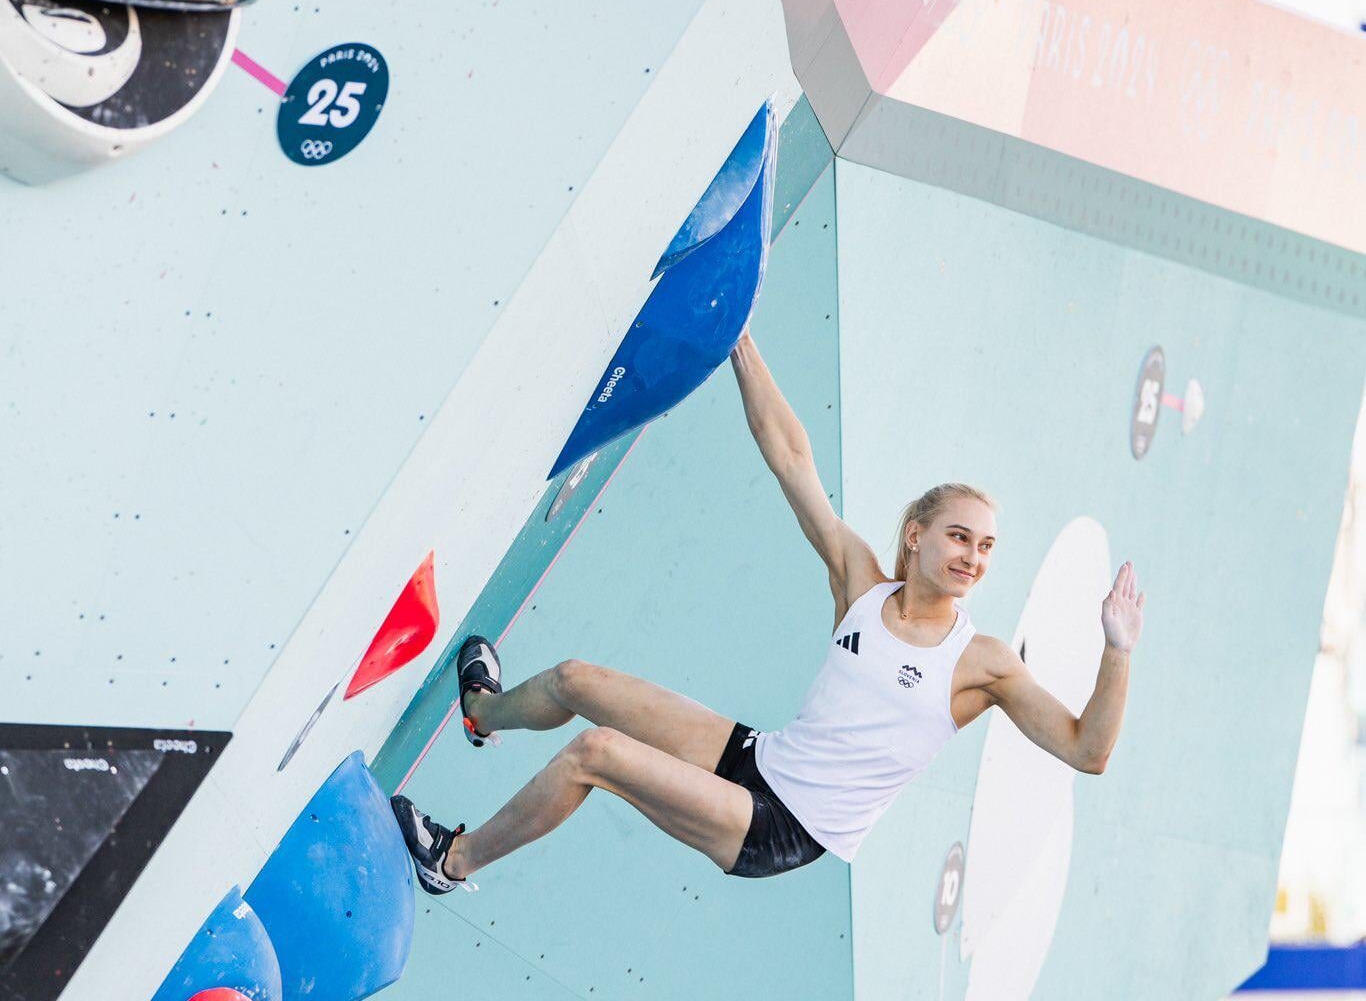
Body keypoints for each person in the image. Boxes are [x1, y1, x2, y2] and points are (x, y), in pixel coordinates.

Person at [390, 329, 1145, 891]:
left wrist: (1117, 650)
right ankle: (482, 713)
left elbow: (1088, 750)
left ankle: (450, 860)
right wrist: (736, 335)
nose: (973, 557)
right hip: (761, 758)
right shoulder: (862, 585)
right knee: (577, 680)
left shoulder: (981, 664)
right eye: (959, 536)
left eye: (985, 547)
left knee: (599, 756)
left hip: (783, 828)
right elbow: (789, 458)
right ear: (916, 537)